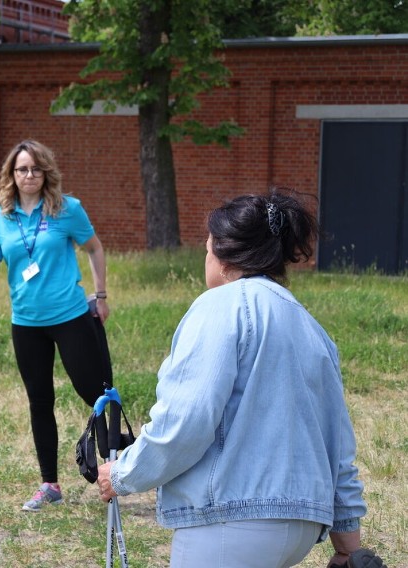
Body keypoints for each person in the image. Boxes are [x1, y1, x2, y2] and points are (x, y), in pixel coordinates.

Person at [96, 189, 384, 568]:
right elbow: (338, 445)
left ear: (225, 256)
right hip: (302, 524)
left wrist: (122, 474)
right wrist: (348, 545)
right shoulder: (311, 327)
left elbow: (188, 419)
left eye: (207, 249)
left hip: (229, 521)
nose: (206, 258)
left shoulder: (219, 305)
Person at [0, 139, 113, 512]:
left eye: (35, 169)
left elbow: (95, 248)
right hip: (26, 323)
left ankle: (116, 471)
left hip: (71, 316)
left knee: (95, 394)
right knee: (40, 402)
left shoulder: (67, 209)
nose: (28, 175)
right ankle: (50, 485)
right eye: (21, 169)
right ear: (12, 174)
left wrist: (100, 296)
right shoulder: (0, 218)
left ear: (46, 173)